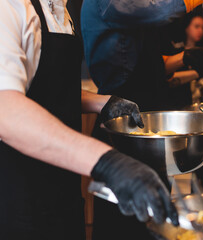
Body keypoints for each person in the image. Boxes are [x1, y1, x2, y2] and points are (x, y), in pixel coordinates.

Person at [0, 0, 179, 239]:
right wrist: (108, 162)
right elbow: (6, 111)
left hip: (65, 188)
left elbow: (47, 90)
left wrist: (102, 102)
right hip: (20, 197)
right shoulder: (9, 7)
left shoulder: (61, 9)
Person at [80, 0, 203, 239]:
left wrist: (187, 58)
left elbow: (151, 64)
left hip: (152, 128)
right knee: (123, 224)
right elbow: (160, 8)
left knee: (159, 217)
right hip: (122, 123)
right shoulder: (107, 2)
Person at [165, 13, 203, 110]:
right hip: (179, 104)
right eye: (196, 26)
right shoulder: (176, 52)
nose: (200, 30)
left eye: (202, 27)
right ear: (186, 27)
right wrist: (197, 73)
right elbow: (169, 77)